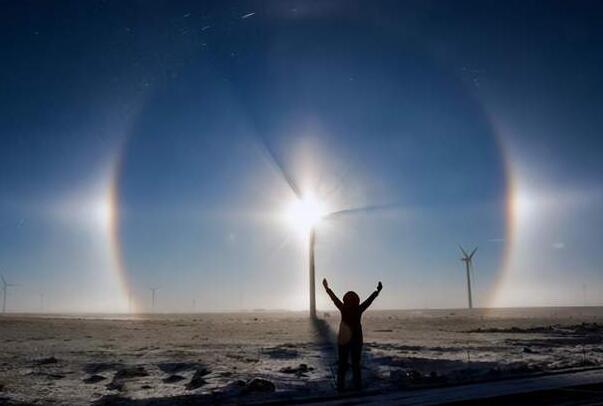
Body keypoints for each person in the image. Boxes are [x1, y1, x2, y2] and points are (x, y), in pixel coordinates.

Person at [322, 278, 383, 391]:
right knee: (354, 365)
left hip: (346, 340)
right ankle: (355, 386)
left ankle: (342, 387)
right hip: (355, 339)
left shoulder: (344, 308)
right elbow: (369, 301)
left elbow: (334, 299)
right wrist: (377, 292)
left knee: (344, 365)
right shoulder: (357, 309)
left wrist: (327, 288)